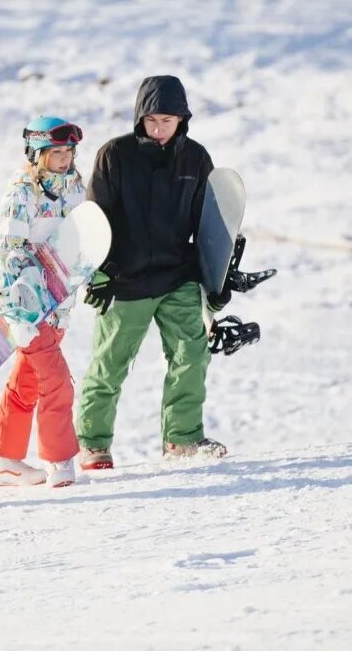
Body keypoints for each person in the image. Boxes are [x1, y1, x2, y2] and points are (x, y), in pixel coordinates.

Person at [75, 76, 227, 469]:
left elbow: (207, 224)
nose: (158, 129)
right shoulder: (115, 155)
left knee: (191, 354)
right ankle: (93, 445)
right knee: (110, 365)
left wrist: (216, 279)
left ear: (182, 120)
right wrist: (99, 272)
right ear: (139, 117)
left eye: (168, 121)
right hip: (126, 279)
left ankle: (183, 439)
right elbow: (97, 216)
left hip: (177, 274)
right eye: (152, 120)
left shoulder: (196, 159)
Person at [0, 117, 87, 489]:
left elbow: (80, 240)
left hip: (59, 305)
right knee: (57, 381)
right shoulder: (21, 194)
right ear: (36, 154)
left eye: (67, 151)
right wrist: (18, 310)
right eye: (55, 152)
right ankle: (60, 461)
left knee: (27, 380)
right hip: (27, 307)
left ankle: (4, 462)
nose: (63, 158)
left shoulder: (75, 188)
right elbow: (4, 253)